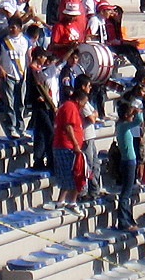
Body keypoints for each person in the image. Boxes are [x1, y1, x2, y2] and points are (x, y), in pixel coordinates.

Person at [52, 89, 88, 217]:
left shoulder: (71, 107)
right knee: (77, 175)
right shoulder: (70, 107)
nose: (84, 105)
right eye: (84, 102)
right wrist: (76, 145)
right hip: (67, 146)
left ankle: (62, 201)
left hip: (67, 146)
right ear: (78, 100)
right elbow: (68, 127)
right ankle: (70, 202)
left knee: (70, 175)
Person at [0, 16, 30, 138]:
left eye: (14, 27)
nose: (11, 29)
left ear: (19, 28)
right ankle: (11, 127)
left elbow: (28, 56)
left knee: (21, 102)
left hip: (21, 75)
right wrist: (0, 68)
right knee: (9, 102)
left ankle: (21, 127)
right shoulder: (3, 41)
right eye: (10, 27)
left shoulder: (25, 41)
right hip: (8, 75)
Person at [115, 101, 143, 230]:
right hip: (128, 161)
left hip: (129, 161)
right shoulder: (124, 126)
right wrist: (138, 111)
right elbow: (138, 121)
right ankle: (123, 221)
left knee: (128, 191)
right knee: (126, 192)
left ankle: (128, 219)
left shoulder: (120, 125)